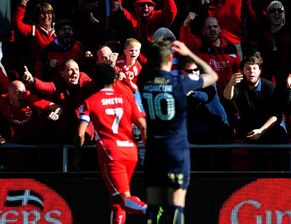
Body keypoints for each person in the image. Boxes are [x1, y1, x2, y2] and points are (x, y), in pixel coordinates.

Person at [138, 39, 218, 224]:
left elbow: (148, 69)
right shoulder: (180, 82)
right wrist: (189, 53)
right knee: (176, 207)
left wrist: (154, 55)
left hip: (153, 152)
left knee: (153, 207)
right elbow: (213, 76)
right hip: (175, 151)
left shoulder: (144, 81)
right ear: (171, 58)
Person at [77, 63, 147, 224]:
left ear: (95, 81)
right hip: (131, 153)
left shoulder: (91, 101)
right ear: (114, 79)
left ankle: (149, 210)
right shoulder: (127, 98)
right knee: (116, 200)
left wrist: (77, 154)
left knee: (123, 198)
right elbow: (143, 125)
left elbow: (80, 133)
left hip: (111, 154)